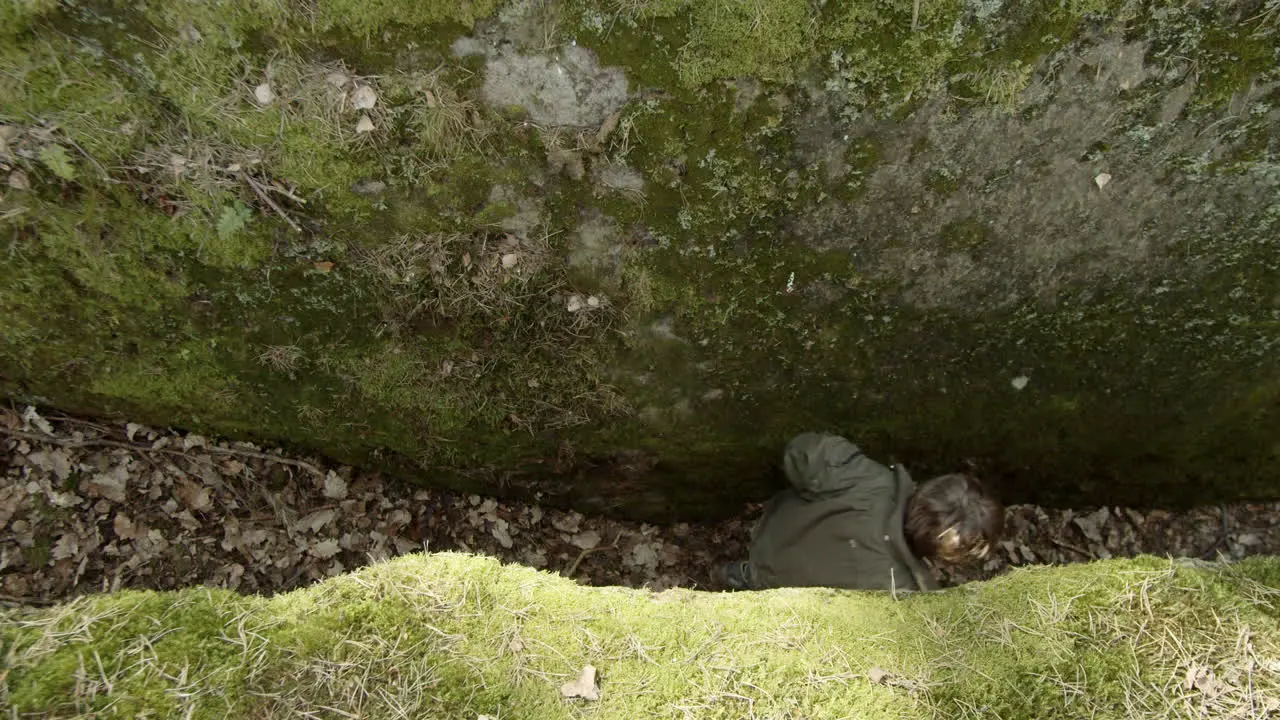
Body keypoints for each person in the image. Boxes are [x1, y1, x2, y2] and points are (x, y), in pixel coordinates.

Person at [716, 432, 1003, 592]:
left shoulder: (869, 479)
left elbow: (800, 452)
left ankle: (731, 569)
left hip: (774, 528)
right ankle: (738, 576)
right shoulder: (905, 591)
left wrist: (835, 452)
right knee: (758, 578)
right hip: (779, 582)